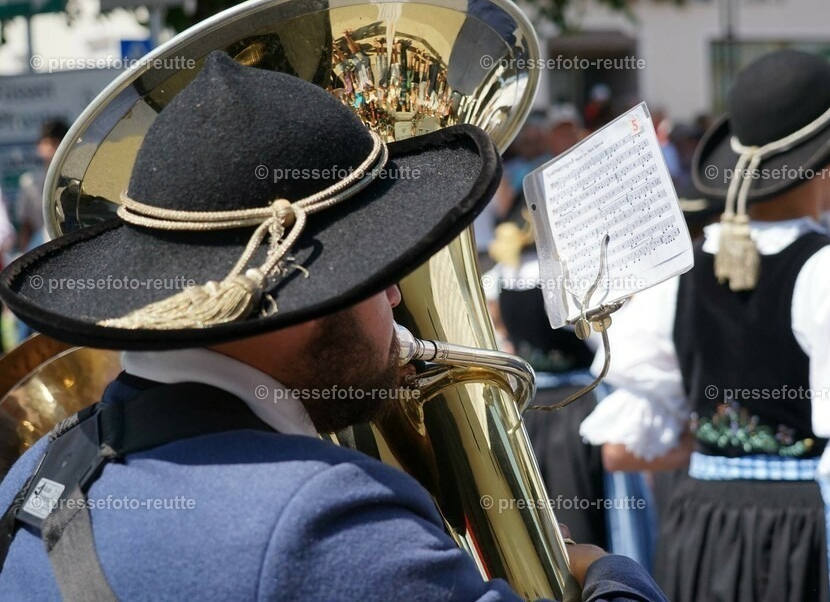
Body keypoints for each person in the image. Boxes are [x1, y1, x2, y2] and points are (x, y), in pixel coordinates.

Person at [0, 52, 665, 601]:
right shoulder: (326, 523)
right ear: (294, 299)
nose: (399, 292)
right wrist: (609, 575)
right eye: (373, 271)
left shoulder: (34, 473)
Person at [579, 50, 830, 601]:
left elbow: (622, 451)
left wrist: (722, 451)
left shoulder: (674, 276)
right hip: (811, 538)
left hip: (701, 533)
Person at [484, 200, 656, 569]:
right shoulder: (563, 278)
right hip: (575, 407)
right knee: (582, 506)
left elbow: (498, 327)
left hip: (528, 407)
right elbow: (604, 345)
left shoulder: (502, 274)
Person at [12, 119, 68, 344]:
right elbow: (26, 225)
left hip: (66, 247)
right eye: (47, 143)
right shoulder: (30, 181)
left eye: (55, 143)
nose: (50, 150)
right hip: (39, 249)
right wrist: (23, 258)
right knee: (29, 305)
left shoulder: (74, 178)